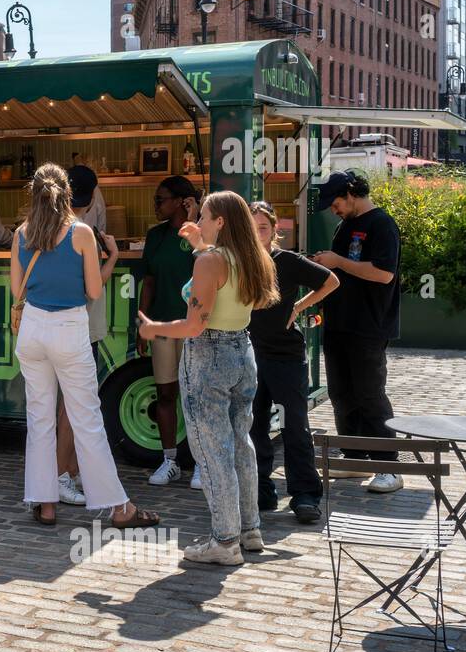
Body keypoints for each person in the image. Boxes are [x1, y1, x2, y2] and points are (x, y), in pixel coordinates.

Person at [138, 190, 279, 566]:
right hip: (242, 351)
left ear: (221, 222)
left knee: (211, 450)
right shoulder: (253, 257)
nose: (197, 221)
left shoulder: (211, 262)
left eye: (203, 216)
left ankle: (225, 540)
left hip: (208, 356)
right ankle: (249, 531)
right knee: (239, 444)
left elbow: (194, 324)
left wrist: (154, 329)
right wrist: (201, 245)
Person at [14, 164, 158, 529]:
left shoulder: (21, 234)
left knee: (40, 418)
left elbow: (18, 291)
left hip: (31, 329)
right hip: (68, 328)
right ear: (68, 193)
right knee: (87, 420)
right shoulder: (80, 234)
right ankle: (118, 507)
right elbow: (94, 292)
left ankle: (45, 502)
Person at [311, 171, 404, 493]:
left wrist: (337, 260)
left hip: (369, 325)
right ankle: (353, 458)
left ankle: (388, 466)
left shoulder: (382, 225)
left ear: (351, 193)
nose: (333, 209)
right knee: (342, 394)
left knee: (369, 394)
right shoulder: (344, 226)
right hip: (339, 322)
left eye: (335, 202)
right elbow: (339, 271)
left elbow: (383, 274)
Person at [248, 200, 339, 523]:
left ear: (274, 230)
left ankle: (305, 495)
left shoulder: (286, 260)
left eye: (263, 227)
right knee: (254, 427)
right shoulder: (239, 262)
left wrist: (299, 307)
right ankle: (261, 492)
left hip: (286, 358)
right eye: (251, 226)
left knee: (293, 428)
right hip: (249, 357)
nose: (257, 233)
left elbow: (331, 281)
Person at [138, 174, 203, 489]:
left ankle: (202, 463)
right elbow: (148, 281)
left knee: (197, 395)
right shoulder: (155, 236)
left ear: (182, 201)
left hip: (196, 327)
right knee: (165, 393)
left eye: (161, 199)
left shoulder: (202, 235)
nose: (156, 205)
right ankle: (170, 460)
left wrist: (196, 221)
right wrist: (142, 323)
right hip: (162, 324)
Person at [55, 161, 111, 506]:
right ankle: (62, 476)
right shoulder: (80, 233)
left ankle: (69, 473)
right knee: (73, 412)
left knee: (62, 410)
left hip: (51, 331)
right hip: (78, 331)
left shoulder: (37, 230)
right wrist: (114, 257)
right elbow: (90, 290)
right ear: (91, 199)